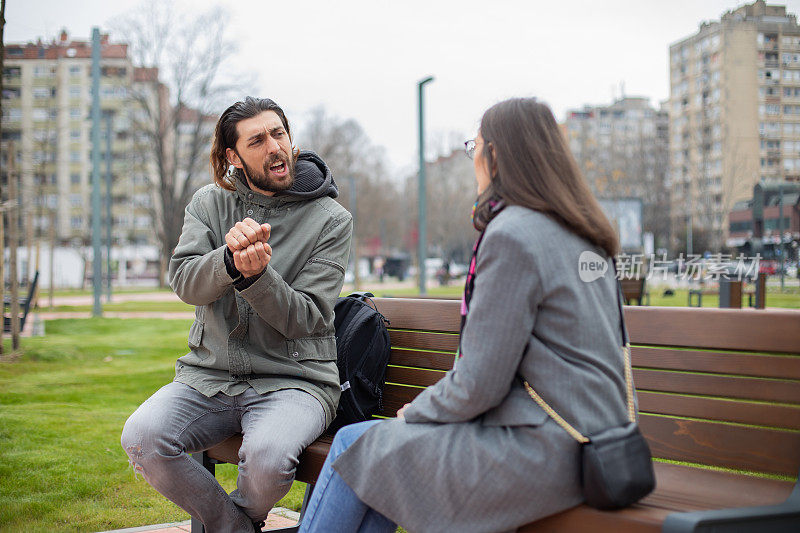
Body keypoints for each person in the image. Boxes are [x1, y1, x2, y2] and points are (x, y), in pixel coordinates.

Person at [298, 98, 632, 533]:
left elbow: (480, 383)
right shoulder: (585, 234)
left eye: (473, 144)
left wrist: (416, 412)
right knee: (375, 454)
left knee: (352, 446)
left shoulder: (512, 236)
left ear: (495, 155)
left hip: (543, 450)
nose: (472, 155)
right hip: (595, 444)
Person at [121, 97, 353, 533]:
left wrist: (256, 278)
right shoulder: (209, 203)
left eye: (279, 133)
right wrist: (228, 262)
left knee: (267, 460)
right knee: (142, 437)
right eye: (258, 140)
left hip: (295, 380)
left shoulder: (331, 220)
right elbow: (186, 281)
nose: (274, 147)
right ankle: (236, 528)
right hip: (210, 377)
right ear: (233, 156)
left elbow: (308, 318)